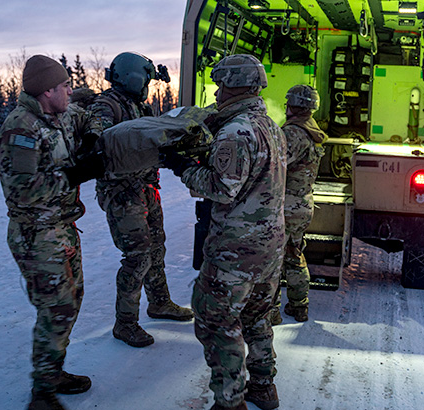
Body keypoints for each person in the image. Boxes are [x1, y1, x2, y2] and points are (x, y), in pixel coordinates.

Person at [161, 54, 287, 410]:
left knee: (216, 320)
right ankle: (263, 387)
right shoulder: (272, 128)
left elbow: (220, 187)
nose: (216, 93)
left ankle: (230, 401)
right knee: (256, 318)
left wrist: (183, 167)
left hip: (236, 251)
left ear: (235, 85)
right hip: (269, 250)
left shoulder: (235, 131)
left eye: (220, 85)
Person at [0, 54, 104, 410]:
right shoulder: (20, 130)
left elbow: (89, 116)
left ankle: (53, 371)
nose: (71, 92)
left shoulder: (60, 113)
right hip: (36, 234)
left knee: (70, 304)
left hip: (62, 228)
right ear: (47, 90)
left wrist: (94, 136)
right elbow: (22, 190)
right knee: (55, 309)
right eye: (66, 87)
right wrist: (76, 174)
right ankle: (42, 394)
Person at [89, 52, 193, 348]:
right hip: (122, 193)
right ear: (135, 76)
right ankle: (125, 323)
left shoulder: (138, 107)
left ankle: (159, 302)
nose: (148, 83)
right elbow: (97, 134)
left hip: (145, 187)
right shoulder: (107, 104)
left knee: (156, 247)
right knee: (138, 256)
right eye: (146, 78)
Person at [269, 85, 326, 324]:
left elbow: (276, 164)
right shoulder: (312, 130)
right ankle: (299, 306)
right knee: (294, 255)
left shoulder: (293, 133)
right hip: (303, 203)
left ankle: (271, 312)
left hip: (286, 205)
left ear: (293, 105)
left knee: (273, 260)